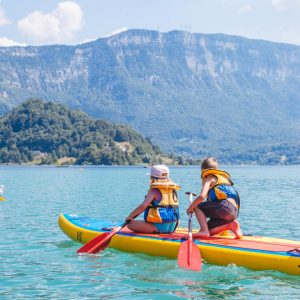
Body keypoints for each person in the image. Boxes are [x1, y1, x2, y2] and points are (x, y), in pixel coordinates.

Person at [187, 157, 243, 239]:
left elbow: (202, 196)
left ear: (203, 170)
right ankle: (231, 225)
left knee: (196, 206)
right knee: (210, 231)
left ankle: (204, 230)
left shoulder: (209, 178)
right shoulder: (225, 179)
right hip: (234, 212)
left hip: (224, 207)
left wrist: (190, 207)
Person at [125, 164, 181, 234]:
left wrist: (130, 216)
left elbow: (143, 206)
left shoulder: (154, 190)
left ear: (153, 178)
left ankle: (156, 231)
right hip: (173, 227)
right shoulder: (172, 190)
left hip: (158, 227)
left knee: (130, 224)